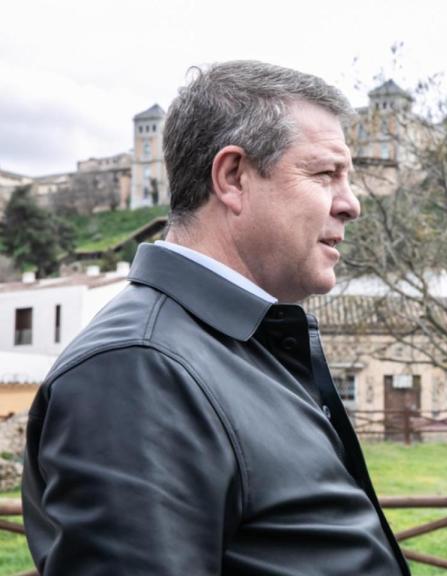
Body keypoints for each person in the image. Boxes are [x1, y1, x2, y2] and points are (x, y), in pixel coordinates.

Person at [22, 61, 409, 575]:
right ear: (232, 178)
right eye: (324, 174)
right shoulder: (139, 370)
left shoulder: (237, 345)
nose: (351, 204)